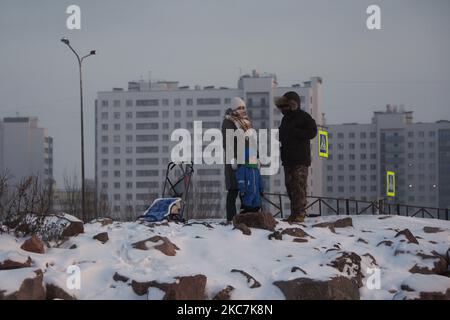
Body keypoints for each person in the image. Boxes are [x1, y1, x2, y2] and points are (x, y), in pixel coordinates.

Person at [276, 91, 317, 223]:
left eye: (285, 106)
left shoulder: (303, 117)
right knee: (290, 186)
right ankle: (294, 213)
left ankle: (300, 213)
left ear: (293, 105)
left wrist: (296, 133)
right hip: (288, 159)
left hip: (300, 159)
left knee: (299, 186)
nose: (283, 109)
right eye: (282, 107)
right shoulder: (285, 119)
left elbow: (312, 132)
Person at [221, 97, 253, 223]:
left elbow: (252, 141)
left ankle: (246, 216)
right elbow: (227, 143)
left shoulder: (246, 122)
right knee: (233, 190)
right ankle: (231, 218)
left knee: (246, 190)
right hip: (233, 161)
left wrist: (255, 157)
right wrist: (233, 159)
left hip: (246, 159)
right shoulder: (228, 122)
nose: (242, 110)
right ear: (234, 109)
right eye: (239, 108)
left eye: (243, 107)